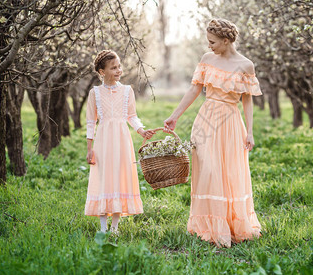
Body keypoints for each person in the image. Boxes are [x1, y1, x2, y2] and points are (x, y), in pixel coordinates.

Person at [164, 19, 262, 247]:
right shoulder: (207, 60)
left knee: (228, 172)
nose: (209, 46)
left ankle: (231, 224)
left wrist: (250, 132)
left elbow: (247, 100)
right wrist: (175, 115)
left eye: (213, 42)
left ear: (226, 41)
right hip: (206, 119)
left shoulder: (245, 66)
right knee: (207, 169)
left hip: (230, 122)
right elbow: (194, 89)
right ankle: (209, 225)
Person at [85, 50, 155, 233]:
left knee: (119, 178)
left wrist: (141, 130)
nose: (118, 70)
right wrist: (89, 148)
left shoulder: (127, 91)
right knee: (103, 179)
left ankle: (114, 227)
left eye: (119, 66)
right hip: (103, 141)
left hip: (122, 140)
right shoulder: (95, 93)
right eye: (113, 68)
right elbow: (91, 122)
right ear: (102, 71)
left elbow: (132, 116)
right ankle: (102, 227)